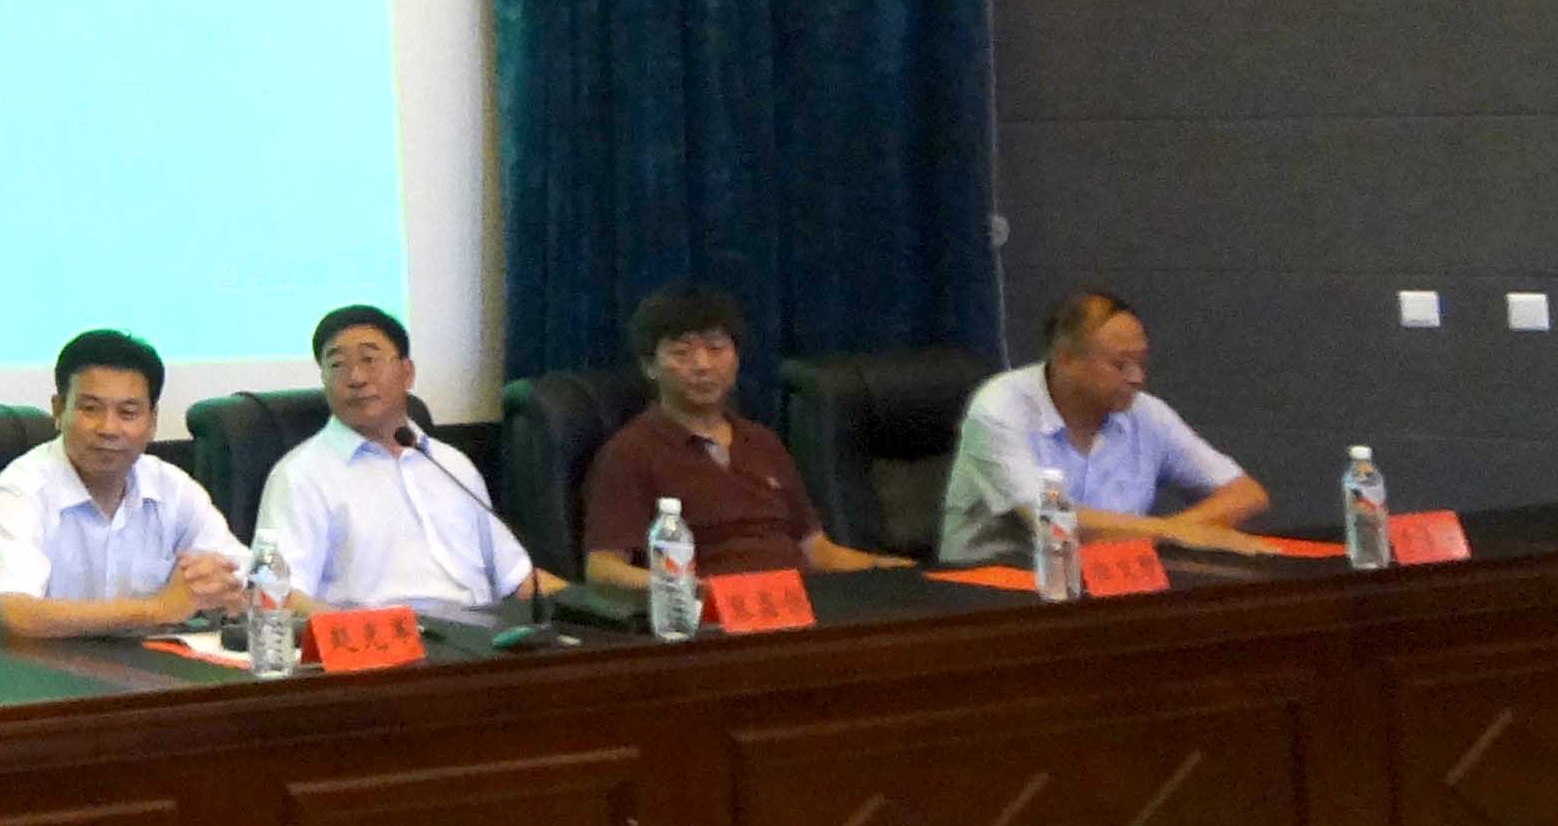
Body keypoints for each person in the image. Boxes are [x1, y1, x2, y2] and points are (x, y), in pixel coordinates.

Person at [581, 283, 910, 588]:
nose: (702, 365)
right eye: (681, 353)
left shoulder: (762, 441)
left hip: (801, 603)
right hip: (711, 613)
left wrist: (891, 569)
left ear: (736, 358)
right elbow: (603, 568)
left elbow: (816, 551)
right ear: (649, 367)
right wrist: (686, 589)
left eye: (716, 349)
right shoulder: (630, 452)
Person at [255, 304, 551, 610]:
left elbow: (519, 580)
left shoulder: (451, 464)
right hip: (380, 634)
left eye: (369, 359)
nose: (356, 377)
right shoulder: (299, 476)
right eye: (337, 365)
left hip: (483, 631)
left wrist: (584, 607)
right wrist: (358, 630)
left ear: (407, 373)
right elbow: (272, 592)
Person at [938, 291, 1268, 565]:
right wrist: (1174, 532)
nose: (1137, 377)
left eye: (1141, 362)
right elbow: (1054, 523)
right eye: (1120, 364)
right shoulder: (998, 408)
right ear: (1066, 359)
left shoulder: (1146, 413)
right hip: (997, 588)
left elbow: (1245, 493)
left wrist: (1175, 530)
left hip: (1110, 579)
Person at [0, 327, 245, 640]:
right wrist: (158, 608)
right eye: (90, 409)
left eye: (128, 413)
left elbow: (247, 577)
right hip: (21, 667)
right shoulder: (22, 488)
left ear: (152, 421)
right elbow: (12, 612)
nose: (109, 428)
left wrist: (221, 585)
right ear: (58, 410)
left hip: (136, 667)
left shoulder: (172, 489)